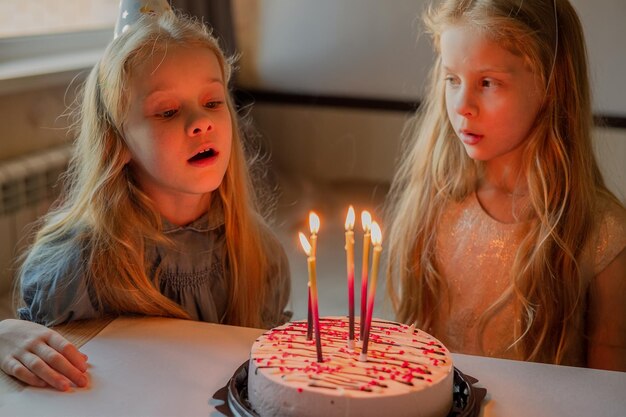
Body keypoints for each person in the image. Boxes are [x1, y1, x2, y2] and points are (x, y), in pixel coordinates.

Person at [0, 3, 290, 391]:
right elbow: (38, 377)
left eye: (212, 102)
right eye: (167, 111)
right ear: (118, 142)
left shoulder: (260, 256)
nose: (201, 121)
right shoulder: (77, 265)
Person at [385, 0, 626, 371]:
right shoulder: (437, 206)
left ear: (550, 84)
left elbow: (610, 386)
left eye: (488, 82)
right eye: (452, 79)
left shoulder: (602, 234)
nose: (462, 105)